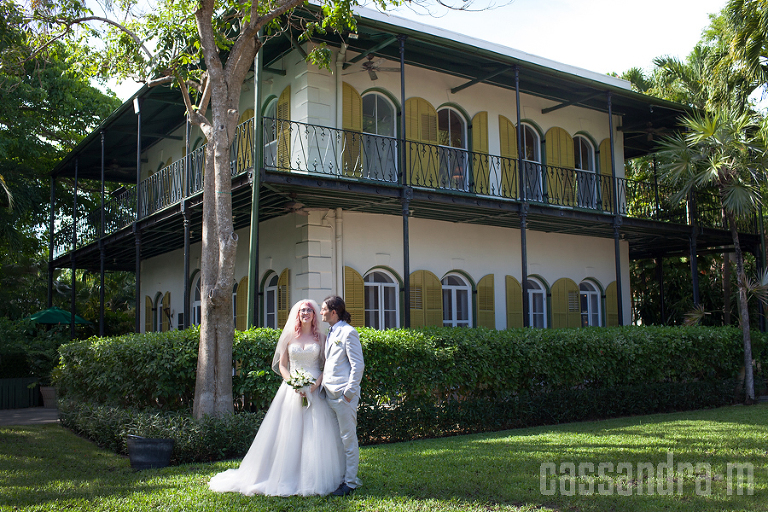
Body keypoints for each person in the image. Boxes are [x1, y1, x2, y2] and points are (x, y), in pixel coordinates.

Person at [208, 299, 345, 496]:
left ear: (315, 315)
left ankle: (313, 477)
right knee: (287, 432)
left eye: (309, 310)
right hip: (292, 389)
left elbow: (327, 366)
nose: (305, 313)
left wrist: (315, 385)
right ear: (297, 314)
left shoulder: (322, 339)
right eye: (302, 310)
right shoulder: (289, 337)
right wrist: (293, 383)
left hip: (315, 390)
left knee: (316, 433)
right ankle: (283, 474)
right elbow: (282, 365)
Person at [321, 295, 365, 497]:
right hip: (328, 394)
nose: (320, 312)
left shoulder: (348, 332)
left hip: (343, 396)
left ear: (333, 312)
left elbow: (358, 365)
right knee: (336, 440)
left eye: (323, 309)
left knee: (348, 440)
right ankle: (340, 477)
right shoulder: (330, 332)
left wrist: (348, 393)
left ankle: (351, 482)